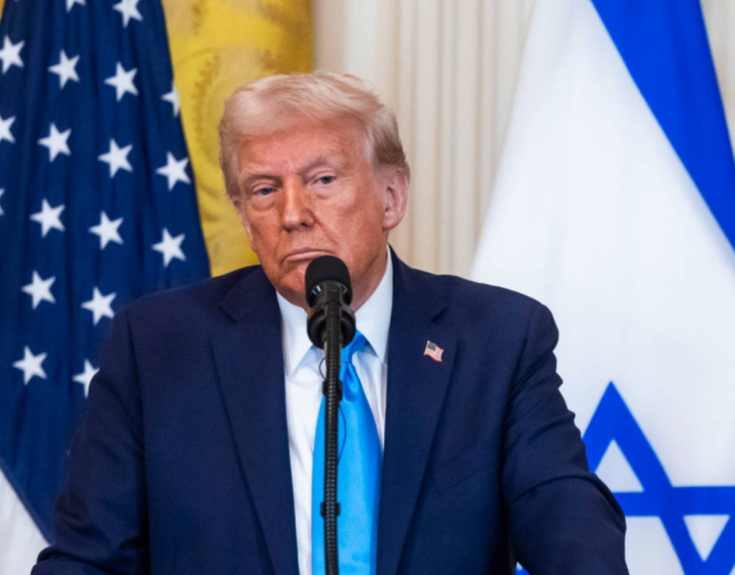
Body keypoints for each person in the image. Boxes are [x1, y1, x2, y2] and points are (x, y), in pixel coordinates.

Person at [33, 72, 627, 574]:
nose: (292, 213)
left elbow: (567, 524)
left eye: (322, 180)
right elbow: (87, 560)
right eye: (264, 190)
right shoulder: (158, 348)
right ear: (244, 217)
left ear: (391, 197)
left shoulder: (497, 339)